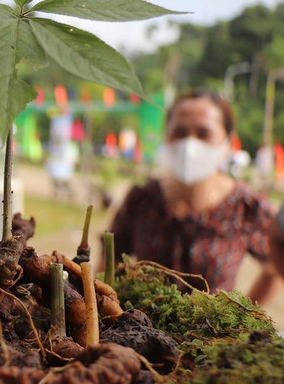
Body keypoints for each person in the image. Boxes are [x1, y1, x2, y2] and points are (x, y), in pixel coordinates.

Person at [103, 89, 281, 303]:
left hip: (213, 335)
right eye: (179, 131)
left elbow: (275, 267)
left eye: (203, 133)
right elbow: (106, 266)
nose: (189, 144)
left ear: (227, 142)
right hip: (142, 332)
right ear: (166, 135)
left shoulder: (245, 206)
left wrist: (241, 321)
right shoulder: (141, 200)